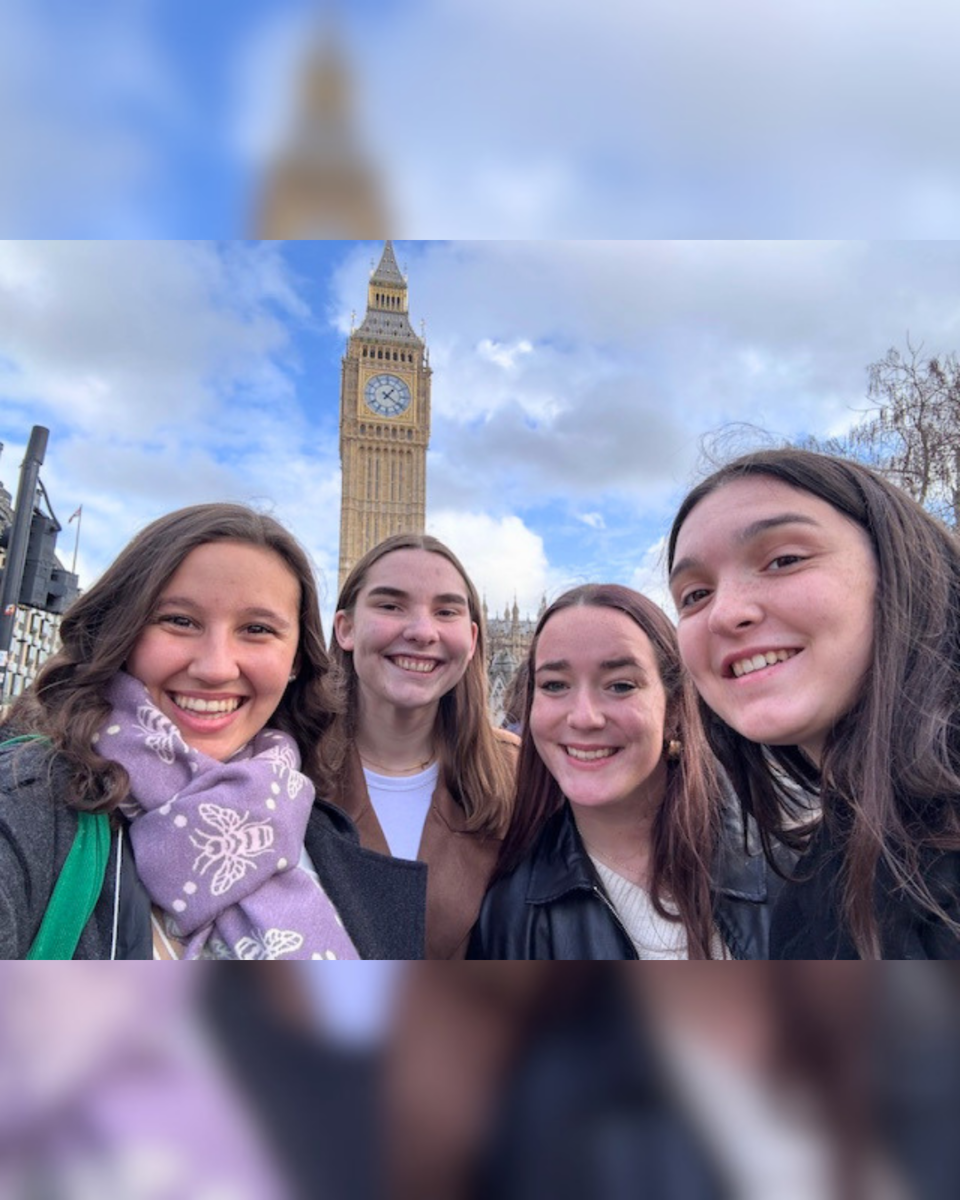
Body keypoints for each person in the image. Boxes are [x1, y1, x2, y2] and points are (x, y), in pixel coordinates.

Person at [0, 503, 425, 959]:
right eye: (179, 621)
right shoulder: (27, 805)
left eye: (257, 629)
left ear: (297, 658)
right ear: (119, 630)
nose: (216, 668)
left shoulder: (316, 826)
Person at [667, 447, 960, 959]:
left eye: (784, 560)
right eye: (694, 594)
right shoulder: (825, 870)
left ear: (901, 566)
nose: (724, 613)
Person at [468, 584, 778, 960]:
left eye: (620, 685)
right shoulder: (505, 915)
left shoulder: (788, 868)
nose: (584, 717)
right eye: (554, 685)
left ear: (676, 708)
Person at [326, 533, 517, 959]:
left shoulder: (519, 775)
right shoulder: (278, 772)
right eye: (390, 605)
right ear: (346, 628)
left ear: (470, 639)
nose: (422, 631)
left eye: (445, 611)